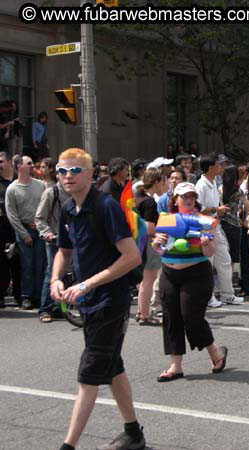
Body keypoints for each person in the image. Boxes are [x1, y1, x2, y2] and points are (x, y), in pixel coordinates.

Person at [49, 148, 146, 450]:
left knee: (89, 375)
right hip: (90, 302)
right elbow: (64, 252)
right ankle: (133, 433)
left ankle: (68, 446)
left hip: (110, 302)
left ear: (91, 174)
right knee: (112, 368)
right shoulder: (68, 208)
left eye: (75, 171)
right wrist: (55, 279)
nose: (67, 176)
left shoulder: (106, 207)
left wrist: (87, 284)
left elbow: (131, 258)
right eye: (62, 171)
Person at [151, 182, 228, 382]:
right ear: (175, 200)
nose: (188, 199)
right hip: (169, 273)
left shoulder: (205, 221)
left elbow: (210, 253)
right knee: (170, 317)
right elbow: (159, 251)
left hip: (197, 274)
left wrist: (205, 243)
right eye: (184, 196)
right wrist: (156, 242)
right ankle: (175, 366)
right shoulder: (166, 220)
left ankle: (215, 353)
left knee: (191, 317)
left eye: (192, 196)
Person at [195, 153, 243, 306]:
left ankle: (227, 294)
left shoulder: (214, 181)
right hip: (204, 228)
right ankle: (208, 297)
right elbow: (197, 209)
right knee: (207, 264)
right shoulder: (201, 185)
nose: (222, 167)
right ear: (210, 167)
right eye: (219, 164)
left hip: (215, 226)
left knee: (224, 260)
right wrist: (217, 209)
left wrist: (217, 211)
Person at [5, 155, 46, 310]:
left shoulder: (40, 185)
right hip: (24, 230)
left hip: (40, 229)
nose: (32, 166)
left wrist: (41, 223)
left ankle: (39, 296)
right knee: (27, 265)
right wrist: (24, 235)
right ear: (19, 166)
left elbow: (45, 205)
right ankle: (27, 296)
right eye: (29, 163)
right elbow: (12, 215)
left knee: (41, 264)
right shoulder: (12, 189)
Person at [35, 172, 71, 322]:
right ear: (58, 176)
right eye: (63, 173)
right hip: (54, 240)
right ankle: (45, 309)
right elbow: (40, 217)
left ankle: (58, 307)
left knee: (68, 274)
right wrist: (47, 233)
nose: (68, 177)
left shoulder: (77, 193)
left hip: (72, 240)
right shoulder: (51, 192)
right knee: (52, 273)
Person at [134, 167, 166, 325]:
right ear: (156, 182)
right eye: (162, 181)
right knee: (149, 280)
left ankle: (141, 311)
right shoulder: (150, 202)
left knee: (144, 281)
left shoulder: (137, 197)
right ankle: (145, 315)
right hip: (149, 243)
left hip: (136, 243)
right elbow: (148, 227)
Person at [0, 151, 21, 308]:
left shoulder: (19, 182)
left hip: (18, 230)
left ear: (9, 163)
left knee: (19, 264)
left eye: (1, 161)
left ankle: (21, 296)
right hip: (1, 230)